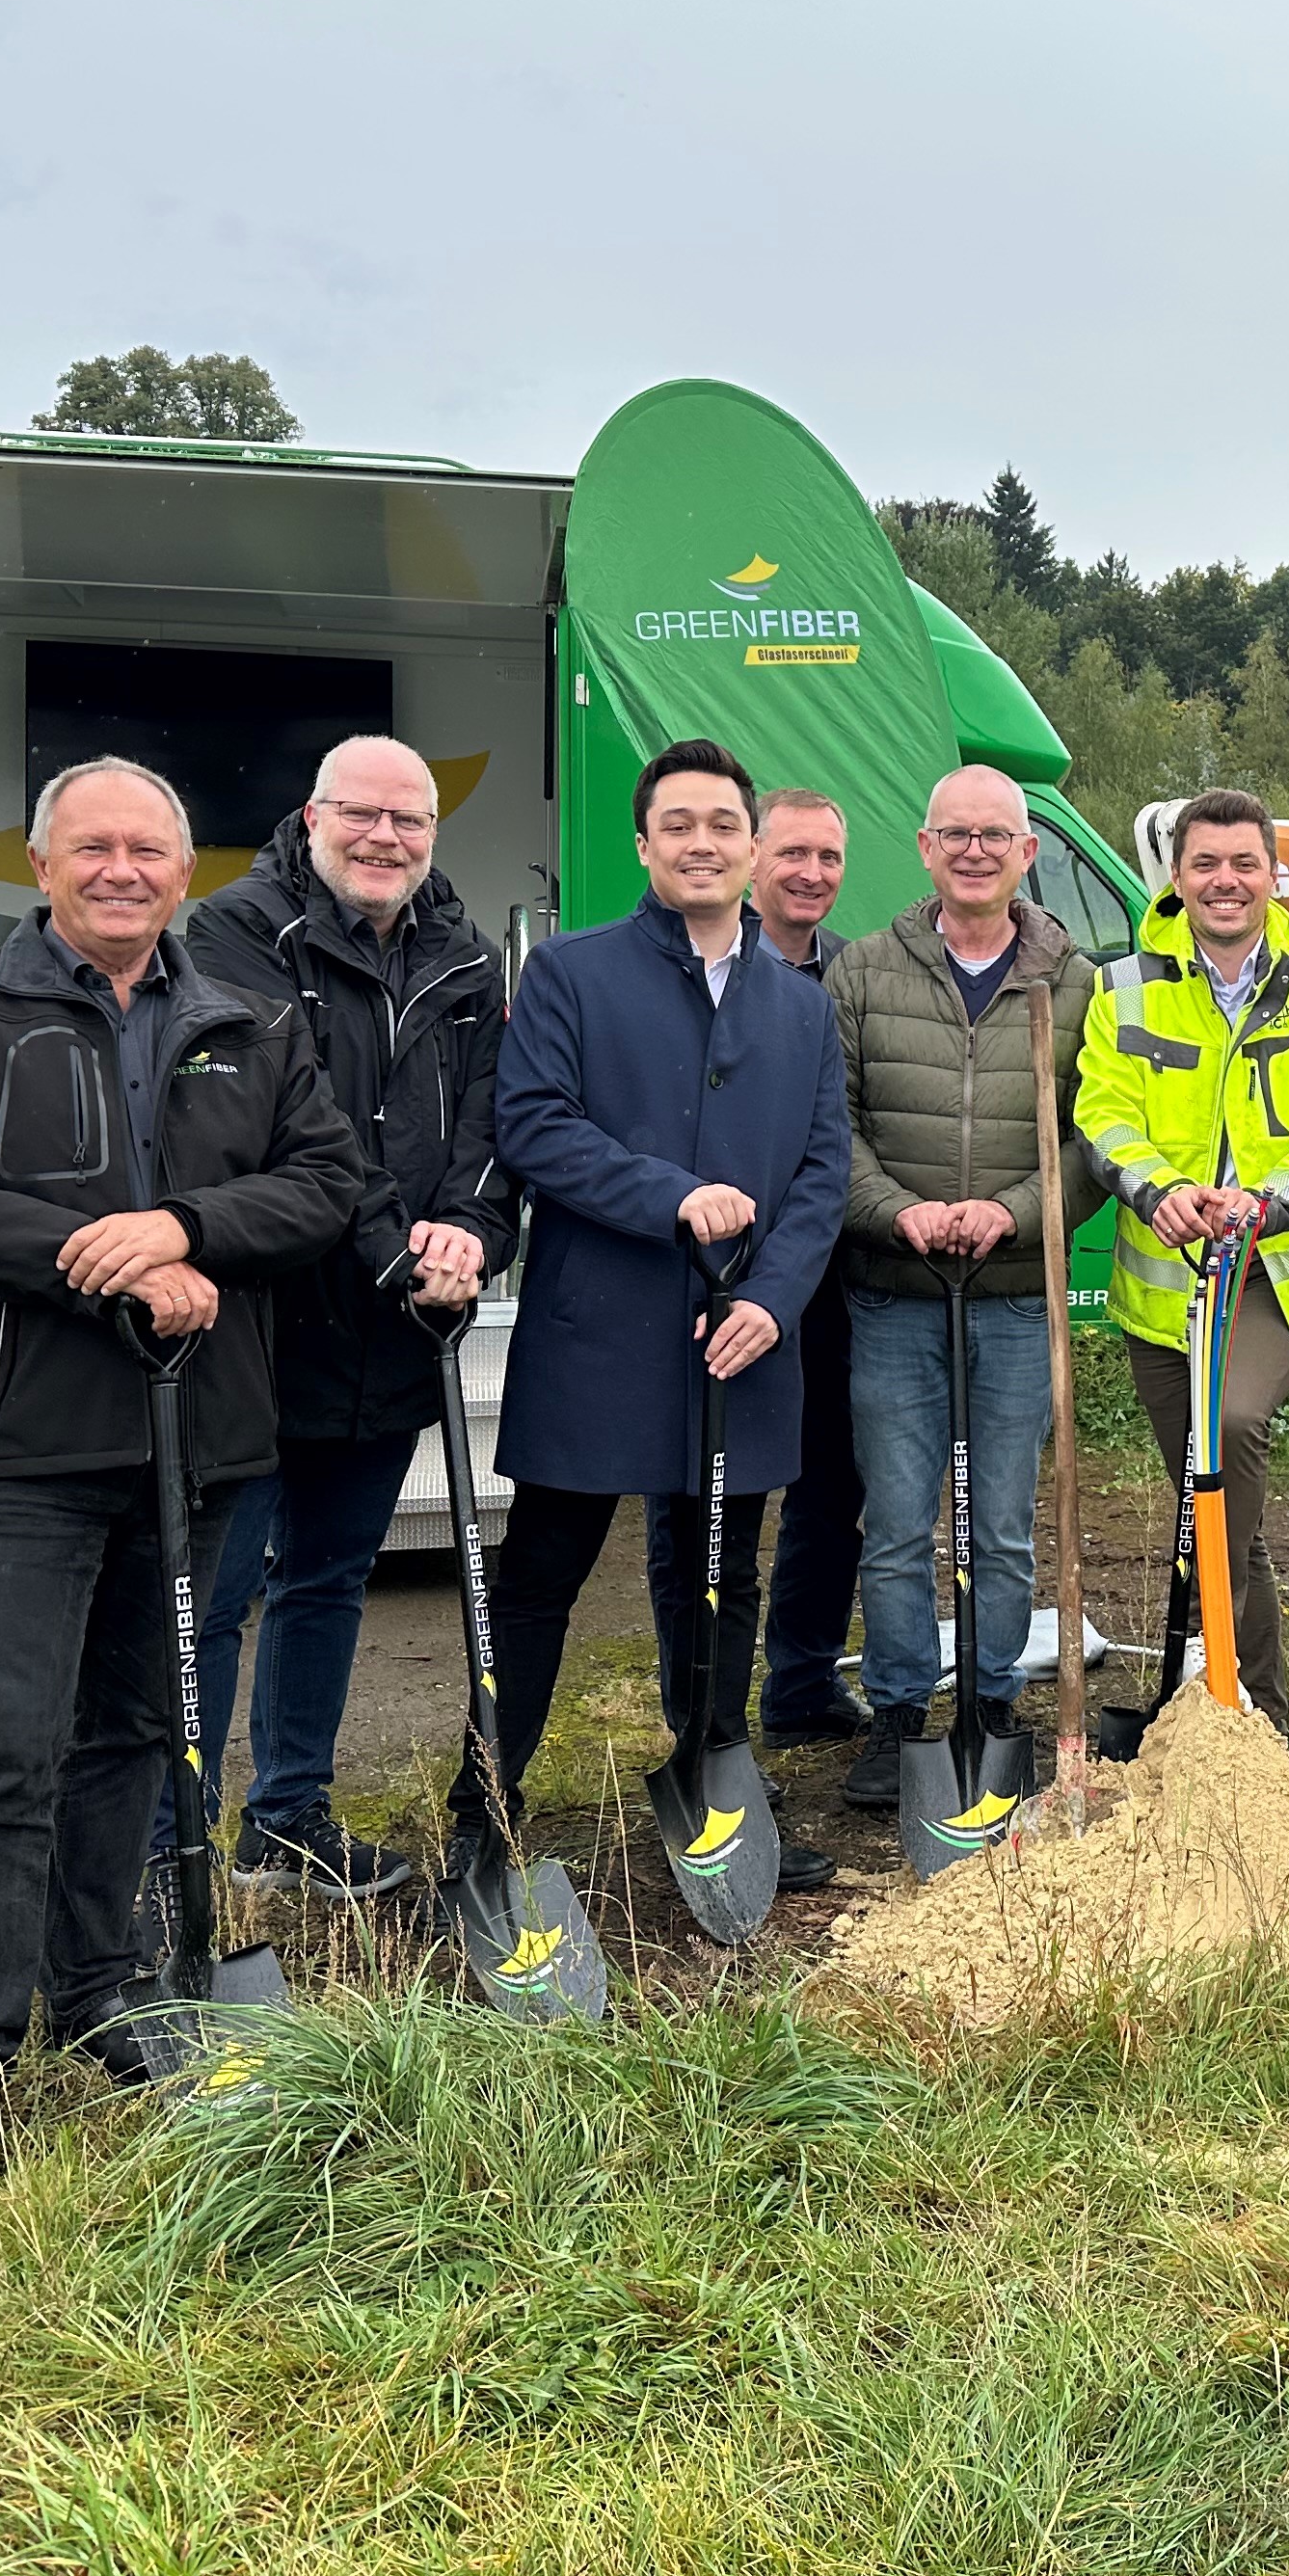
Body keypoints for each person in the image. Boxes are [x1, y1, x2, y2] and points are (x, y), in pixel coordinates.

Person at [0, 756, 365, 2195]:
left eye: (150, 848)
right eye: (93, 848)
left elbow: (323, 1186)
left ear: (186, 869)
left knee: (138, 1730)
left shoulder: (250, 1021)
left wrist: (187, 1229)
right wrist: (112, 1271)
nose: (123, 870)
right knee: (9, 1742)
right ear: (40, 862)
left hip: (203, 1444)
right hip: (33, 1441)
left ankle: (101, 1989)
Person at [471, 738, 850, 1890]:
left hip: (742, 1347)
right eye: (675, 824)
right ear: (643, 845)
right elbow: (532, 1126)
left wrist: (775, 1301)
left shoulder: (801, 1007)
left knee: (724, 1574)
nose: (700, 842)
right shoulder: (571, 975)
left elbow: (823, 1172)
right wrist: (673, 1196)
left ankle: (715, 1785)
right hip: (599, 1336)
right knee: (541, 1573)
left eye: (720, 824)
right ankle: (485, 1808)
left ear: (749, 844)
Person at [165, 734, 515, 1905]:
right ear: (311, 816)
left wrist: (470, 1228)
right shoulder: (231, 937)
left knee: (328, 1580)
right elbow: (300, 1118)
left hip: (393, 1336)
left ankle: (288, 1817)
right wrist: (392, 1253)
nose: (385, 838)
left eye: (409, 821)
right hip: (261, 1328)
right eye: (362, 815)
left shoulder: (463, 954)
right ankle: (176, 1845)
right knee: (216, 1598)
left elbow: (487, 1116)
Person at [1077, 787, 1289, 1730]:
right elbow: (1103, 1113)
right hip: (1165, 1285)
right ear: (1177, 876)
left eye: (1243, 863)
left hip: (1276, 1277)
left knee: (1231, 1434)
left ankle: (1226, 1694)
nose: (1226, 881)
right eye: (1206, 863)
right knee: (1206, 1498)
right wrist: (1160, 1193)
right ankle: (1251, 1715)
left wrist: (1266, 1204)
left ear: (1271, 873)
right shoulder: (1122, 984)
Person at [822, 765, 1099, 1811]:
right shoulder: (862, 975)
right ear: (927, 849)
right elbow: (829, 1127)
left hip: (1018, 1297)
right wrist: (895, 1209)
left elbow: (1091, 1140)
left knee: (1005, 1523)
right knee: (896, 1521)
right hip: (894, 1291)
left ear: (1029, 853)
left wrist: (1014, 1214)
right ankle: (898, 1714)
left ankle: (991, 1703)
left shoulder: (1075, 983)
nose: (976, 850)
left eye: (998, 835)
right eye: (955, 834)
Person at [642, 787, 869, 1745]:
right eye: (792, 855)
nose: (810, 874)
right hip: (707, 1278)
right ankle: (698, 1719)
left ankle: (801, 1682)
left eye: (828, 858)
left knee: (832, 1484)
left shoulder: (851, 978)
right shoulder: (682, 975)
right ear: (751, 861)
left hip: (824, 1275)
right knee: (701, 1499)